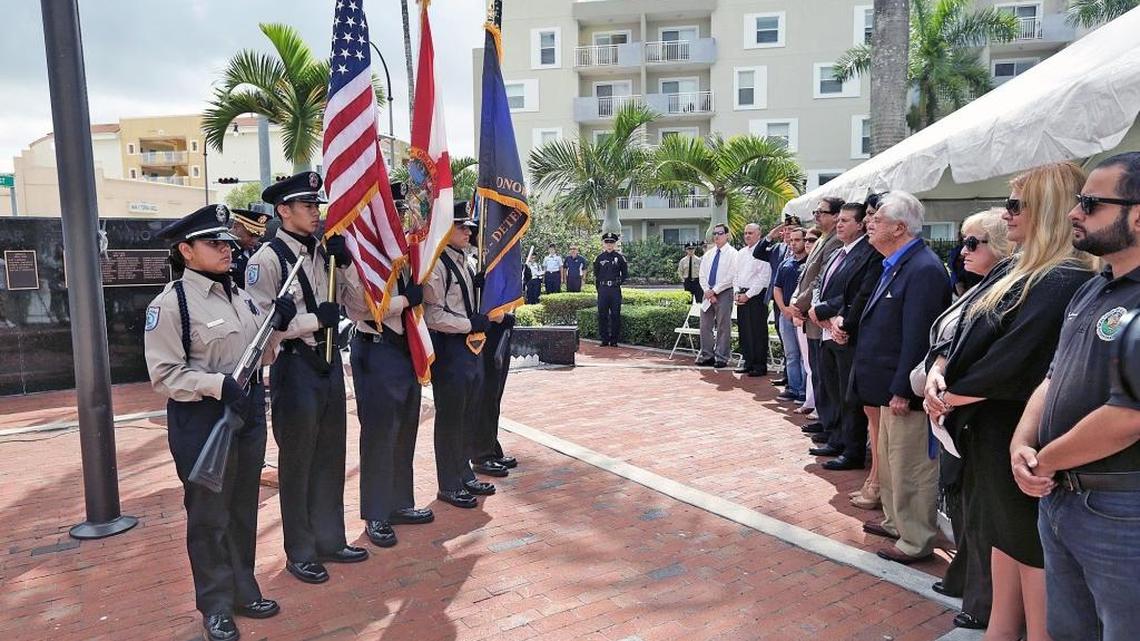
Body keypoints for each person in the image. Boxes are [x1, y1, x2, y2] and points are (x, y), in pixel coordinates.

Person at [926, 163, 1096, 640]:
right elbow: (959, 330)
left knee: (1027, 548)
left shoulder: (1063, 276)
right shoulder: (1019, 268)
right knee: (1002, 542)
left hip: (1016, 430)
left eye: (1016, 205)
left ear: (1045, 209)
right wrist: (940, 373)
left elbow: (1017, 360)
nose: (1006, 214)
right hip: (984, 426)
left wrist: (948, 394)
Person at [144, 204, 296, 641]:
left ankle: (244, 589)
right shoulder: (171, 306)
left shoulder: (242, 297)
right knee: (209, 516)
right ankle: (215, 605)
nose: (226, 248)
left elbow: (263, 354)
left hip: (245, 413)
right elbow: (165, 375)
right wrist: (216, 384)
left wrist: (278, 328)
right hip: (203, 420)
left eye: (227, 241)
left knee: (242, 506)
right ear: (186, 251)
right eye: (213, 242)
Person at [1010, 152, 1140, 641]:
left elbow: (1128, 417)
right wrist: (1021, 444)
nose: (1073, 212)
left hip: (1122, 509)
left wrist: (1043, 460)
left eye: (1090, 203)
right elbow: (1052, 377)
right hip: (1063, 498)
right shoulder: (1095, 287)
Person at [244, 171, 369, 584]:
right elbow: (262, 326)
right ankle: (299, 550)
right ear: (283, 211)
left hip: (329, 362)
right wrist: (313, 320)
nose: (317, 213)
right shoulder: (267, 260)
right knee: (297, 462)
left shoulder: (323, 253)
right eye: (308, 205)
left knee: (332, 454)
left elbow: (356, 306)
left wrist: (346, 263)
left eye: (317, 205)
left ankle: (331, 539)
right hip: (294, 365)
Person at [920, 208, 1013, 630]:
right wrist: (937, 373)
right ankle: (970, 587)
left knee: (978, 514)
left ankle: (983, 602)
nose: (962, 251)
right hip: (955, 417)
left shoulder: (1010, 289)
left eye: (973, 243)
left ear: (1001, 245)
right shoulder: (981, 286)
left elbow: (1002, 363)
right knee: (962, 507)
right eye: (962, 241)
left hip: (980, 421)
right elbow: (948, 341)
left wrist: (947, 392)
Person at [853, 190, 950, 565]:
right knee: (892, 463)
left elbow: (918, 336)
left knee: (911, 466)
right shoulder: (896, 263)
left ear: (899, 227)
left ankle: (915, 539)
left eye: (877, 218)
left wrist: (901, 391)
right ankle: (896, 521)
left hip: (903, 391)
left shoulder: (923, 269)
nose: (869, 222)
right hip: (886, 387)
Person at [340, 183, 435, 550]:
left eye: (397, 210)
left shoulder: (405, 249)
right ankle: (376, 513)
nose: (398, 216)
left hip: (403, 348)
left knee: (405, 428)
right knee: (380, 434)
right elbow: (359, 308)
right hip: (376, 347)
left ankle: (399, 503)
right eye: (392, 211)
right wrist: (401, 302)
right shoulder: (363, 251)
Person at [424, 202, 498, 509]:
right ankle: (449, 483)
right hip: (450, 348)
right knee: (451, 418)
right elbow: (434, 315)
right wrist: (470, 323)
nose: (468, 231)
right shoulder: (437, 265)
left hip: (470, 349)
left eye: (469, 227)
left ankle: (464, 472)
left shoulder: (463, 262)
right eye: (461, 227)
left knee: (469, 413)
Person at [808, 202, 883, 471]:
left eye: (845, 221)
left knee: (848, 394)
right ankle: (837, 438)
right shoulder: (837, 253)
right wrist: (816, 309)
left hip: (845, 331)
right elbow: (820, 284)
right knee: (832, 387)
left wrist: (826, 311)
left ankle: (852, 449)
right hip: (827, 327)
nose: (839, 224)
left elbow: (859, 293)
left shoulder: (869, 253)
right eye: (838, 220)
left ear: (861, 224)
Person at [791, 200, 844, 431]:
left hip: (819, 316)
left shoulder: (835, 241)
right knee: (817, 370)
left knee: (824, 374)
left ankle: (828, 422)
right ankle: (824, 418)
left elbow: (819, 279)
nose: (816, 216)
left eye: (821, 212)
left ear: (835, 215)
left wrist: (801, 303)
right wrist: (796, 301)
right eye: (815, 212)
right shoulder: (824, 237)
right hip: (809, 315)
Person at [754, 219, 794, 385]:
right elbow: (758, 252)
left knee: (794, 343)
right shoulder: (778, 248)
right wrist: (771, 235)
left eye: (791, 230)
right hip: (778, 300)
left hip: (792, 300)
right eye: (785, 230)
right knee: (783, 336)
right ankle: (788, 375)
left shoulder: (801, 250)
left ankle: (793, 378)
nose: (787, 233)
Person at [772, 227, 808, 403]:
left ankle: (804, 391)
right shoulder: (785, 264)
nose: (793, 243)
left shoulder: (810, 263)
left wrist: (796, 310)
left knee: (804, 355)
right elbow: (776, 288)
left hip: (802, 317)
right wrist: (784, 309)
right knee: (791, 354)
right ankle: (793, 388)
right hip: (785, 315)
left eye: (797, 240)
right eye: (791, 240)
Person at [696, 224, 739, 368]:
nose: (716, 236)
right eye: (714, 233)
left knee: (723, 326)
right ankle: (707, 355)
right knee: (705, 325)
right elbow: (702, 274)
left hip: (724, 293)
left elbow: (731, 275)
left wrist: (715, 290)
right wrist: (708, 291)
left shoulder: (733, 253)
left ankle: (721, 357)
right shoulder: (708, 254)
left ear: (727, 235)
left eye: (720, 233)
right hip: (707, 294)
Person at [734, 223, 773, 376]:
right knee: (744, 332)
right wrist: (737, 292)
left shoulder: (764, 252)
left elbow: (764, 278)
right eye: (745, 233)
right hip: (741, 294)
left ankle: (759, 365)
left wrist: (748, 295)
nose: (747, 236)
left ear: (759, 234)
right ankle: (748, 362)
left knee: (758, 332)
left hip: (756, 296)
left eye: (751, 233)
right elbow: (735, 275)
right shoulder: (741, 253)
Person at [594, 232, 628, 346]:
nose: (609, 245)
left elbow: (625, 273)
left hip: (614, 290)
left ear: (615, 244)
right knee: (602, 315)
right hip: (603, 289)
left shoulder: (619, 258)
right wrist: (600, 289)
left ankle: (614, 340)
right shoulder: (599, 258)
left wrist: (618, 283)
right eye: (607, 242)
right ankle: (604, 339)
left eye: (611, 242)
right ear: (604, 244)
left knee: (615, 315)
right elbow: (596, 275)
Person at [228, 206, 270, 287]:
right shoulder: (221, 248)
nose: (255, 240)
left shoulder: (260, 250)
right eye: (251, 235)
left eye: (258, 236)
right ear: (236, 226)